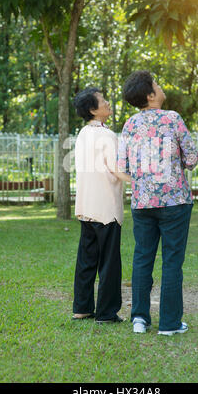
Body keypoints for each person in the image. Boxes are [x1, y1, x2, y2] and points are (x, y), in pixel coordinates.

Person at [117, 70, 198, 335]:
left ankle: (139, 319)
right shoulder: (173, 119)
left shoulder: (130, 125)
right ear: (151, 95)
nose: (162, 88)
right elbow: (192, 158)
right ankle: (170, 324)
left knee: (142, 258)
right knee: (172, 261)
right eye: (157, 84)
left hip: (142, 203)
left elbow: (122, 166)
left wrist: (143, 182)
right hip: (175, 201)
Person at [72, 87, 131, 323]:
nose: (108, 103)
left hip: (86, 205)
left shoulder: (83, 134)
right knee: (109, 262)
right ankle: (106, 313)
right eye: (103, 101)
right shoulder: (107, 136)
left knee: (86, 260)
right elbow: (117, 170)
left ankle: (82, 308)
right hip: (106, 207)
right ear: (93, 109)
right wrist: (138, 180)